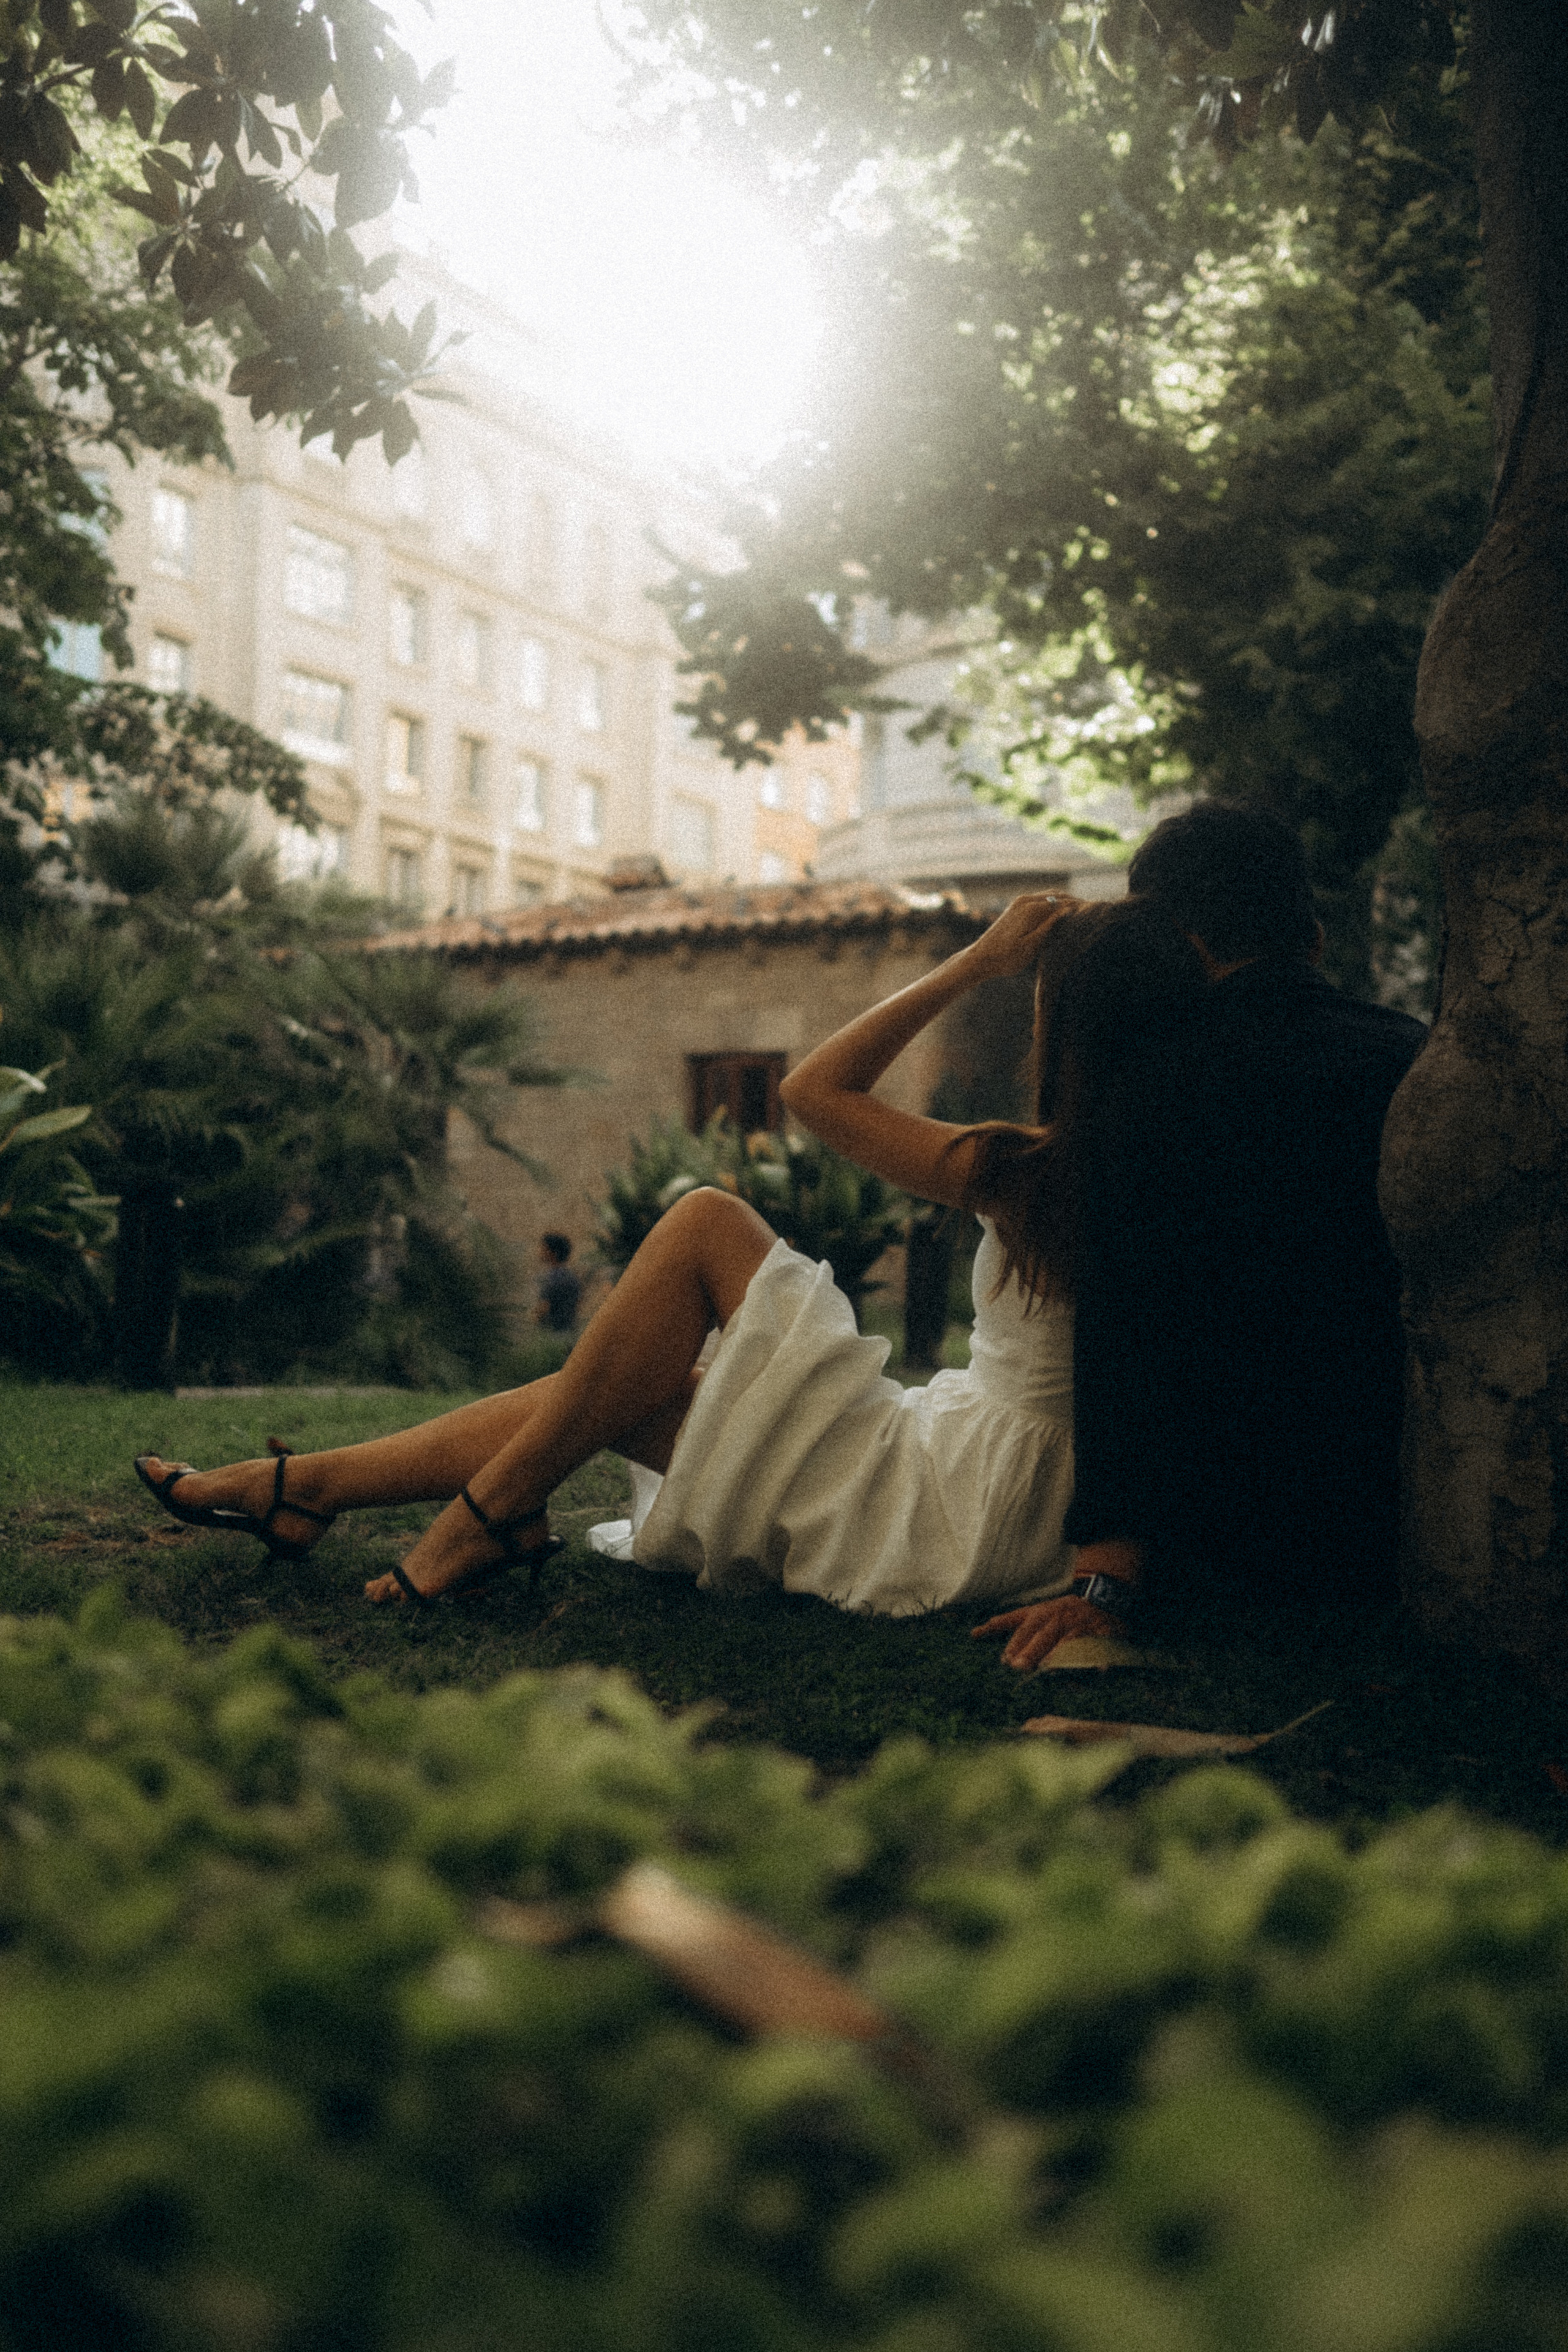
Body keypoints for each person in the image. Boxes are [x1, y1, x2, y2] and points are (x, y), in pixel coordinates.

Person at [132, 891, 1190, 1614]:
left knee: (701, 1222)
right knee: (618, 1388)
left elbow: (813, 1091)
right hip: (1010, 1492)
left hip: (946, 1503)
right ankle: (301, 1488)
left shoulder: (1034, 1170)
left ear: (1070, 1031)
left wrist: (979, 961)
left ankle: (480, 1515)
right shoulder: (1176, 1173)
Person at [978, 803, 1428, 1672]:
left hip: (1223, 1555)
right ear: (1316, 935)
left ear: (1174, 939)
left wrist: (1105, 1582)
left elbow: (1126, 1332)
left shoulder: (1144, 1086)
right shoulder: (1410, 1058)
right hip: (1393, 1523)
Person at [535, 1232, 582, 1335]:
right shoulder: (572, 1277)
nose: (540, 1252)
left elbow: (543, 1308)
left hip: (552, 1335)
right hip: (570, 1333)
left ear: (553, 1253)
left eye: (544, 1249)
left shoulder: (552, 1278)